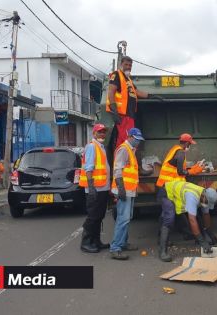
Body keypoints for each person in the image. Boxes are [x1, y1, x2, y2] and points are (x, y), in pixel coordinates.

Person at [106, 56, 164, 147]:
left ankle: (124, 160)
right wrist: (114, 111)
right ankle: (123, 161)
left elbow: (136, 92)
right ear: (121, 64)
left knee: (126, 140)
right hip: (122, 115)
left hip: (129, 115)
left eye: (130, 65)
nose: (128, 67)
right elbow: (111, 92)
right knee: (126, 141)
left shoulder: (128, 79)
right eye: (126, 64)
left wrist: (151, 96)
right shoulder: (116, 75)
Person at [158, 181, 217, 262]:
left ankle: (200, 239)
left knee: (197, 216)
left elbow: (206, 215)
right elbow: (192, 220)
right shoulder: (192, 197)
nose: (207, 205)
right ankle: (163, 252)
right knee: (169, 218)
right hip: (166, 192)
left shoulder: (205, 196)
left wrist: (210, 233)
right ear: (205, 198)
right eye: (207, 203)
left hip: (177, 195)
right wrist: (202, 242)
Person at [109, 128, 144, 260]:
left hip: (129, 190)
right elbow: (118, 170)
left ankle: (122, 243)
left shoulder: (130, 150)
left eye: (139, 140)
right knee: (123, 219)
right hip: (124, 190)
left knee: (126, 217)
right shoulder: (124, 149)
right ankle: (115, 248)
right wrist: (121, 190)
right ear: (130, 137)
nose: (138, 142)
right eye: (137, 140)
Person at [79, 124, 111, 253]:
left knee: (99, 216)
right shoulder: (92, 147)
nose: (102, 134)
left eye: (104, 132)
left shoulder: (101, 147)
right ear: (94, 134)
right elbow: (89, 168)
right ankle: (86, 242)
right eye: (100, 132)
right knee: (93, 216)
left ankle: (96, 241)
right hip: (95, 189)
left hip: (102, 188)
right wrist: (91, 187)